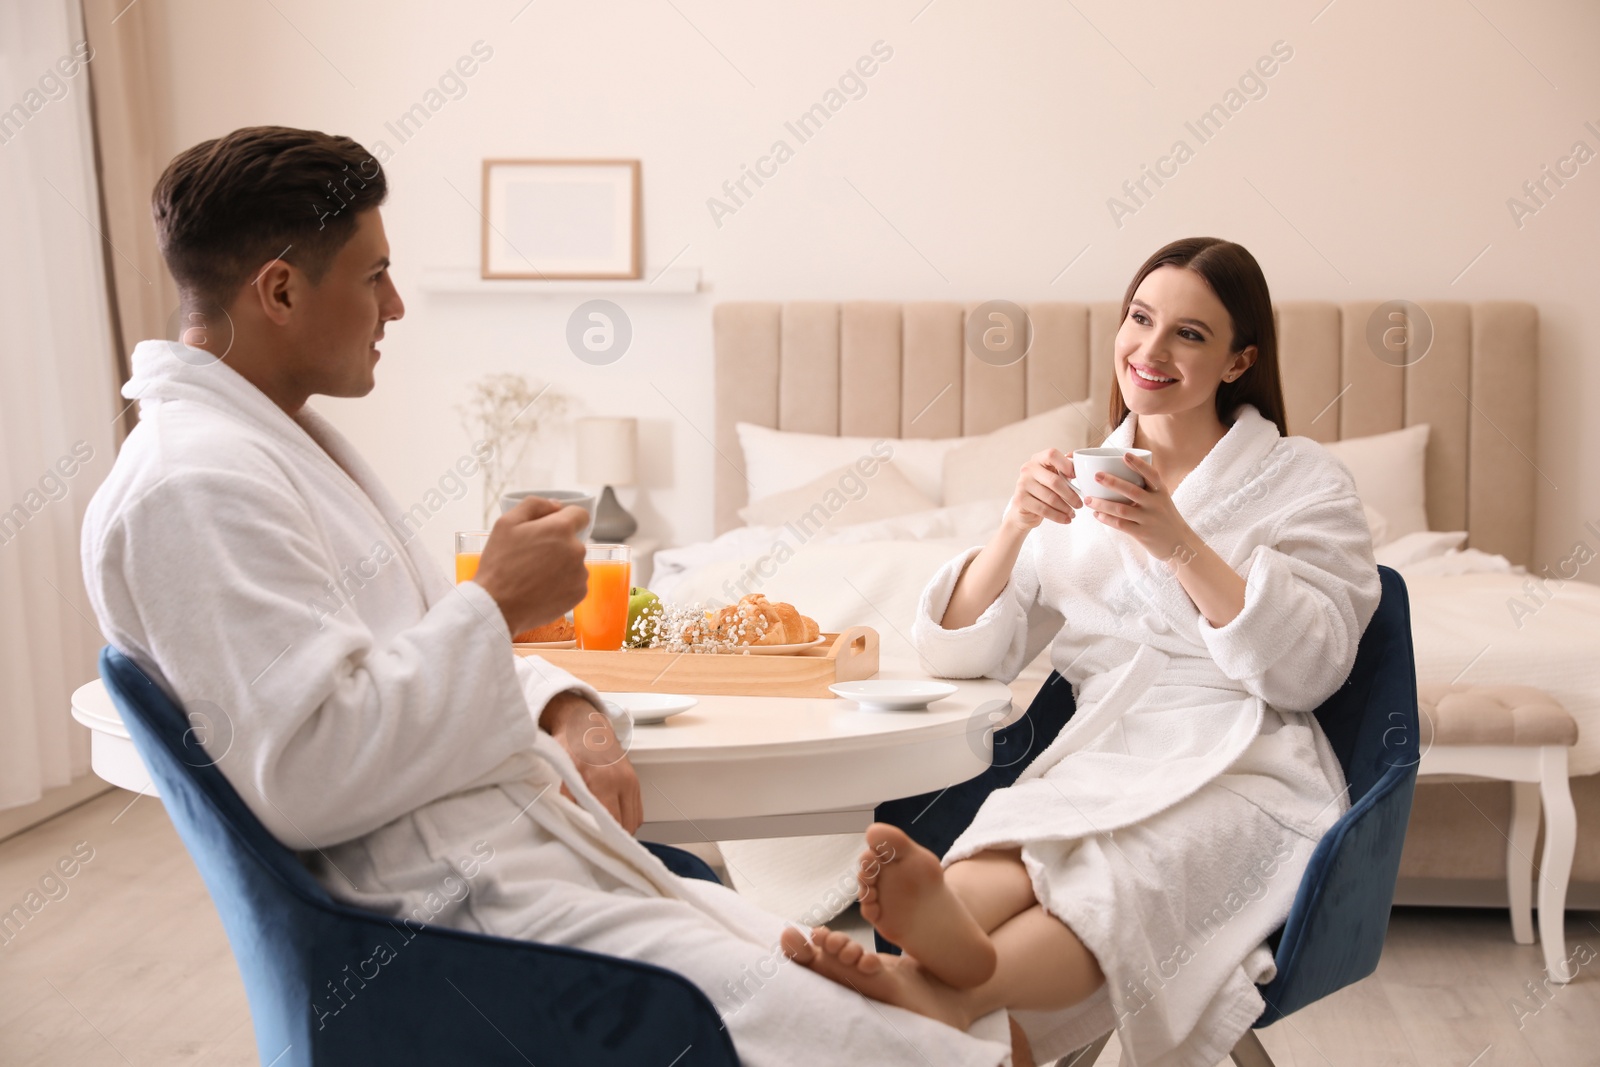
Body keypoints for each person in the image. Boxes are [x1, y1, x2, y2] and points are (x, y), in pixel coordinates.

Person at [80, 126, 1014, 1067]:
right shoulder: (194, 487)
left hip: (520, 865)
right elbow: (314, 772)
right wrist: (492, 603)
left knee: (928, 1006)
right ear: (280, 290)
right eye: (374, 276)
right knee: (924, 1041)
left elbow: (390, 671)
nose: (395, 306)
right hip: (460, 923)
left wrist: (568, 703)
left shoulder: (268, 450)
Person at [784, 237, 1381, 1067]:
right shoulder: (1086, 477)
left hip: (1245, 762)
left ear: (1241, 359)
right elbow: (963, 652)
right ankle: (943, 946)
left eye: (1190, 334)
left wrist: (1180, 542)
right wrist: (1013, 527)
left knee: (1122, 866)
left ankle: (959, 984)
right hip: (1108, 746)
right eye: (1140, 318)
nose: (1151, 349)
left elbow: (1312, 666)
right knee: (1026, 837)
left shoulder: (1302, 481)